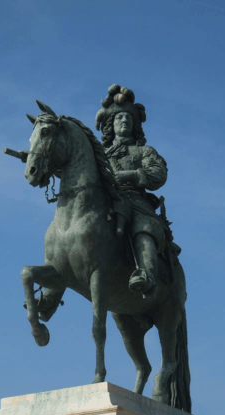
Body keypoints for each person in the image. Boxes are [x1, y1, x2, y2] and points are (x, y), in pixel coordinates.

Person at [95, 84, 168, 294]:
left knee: (143, 226)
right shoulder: (100, 153)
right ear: (111, 124)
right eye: (119, 118)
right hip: (104, 198)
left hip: (135, 201)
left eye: (128, 118)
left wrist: (131, 175)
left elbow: (158, 173)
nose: (124, 121)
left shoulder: (144, 151)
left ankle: (146, 274)